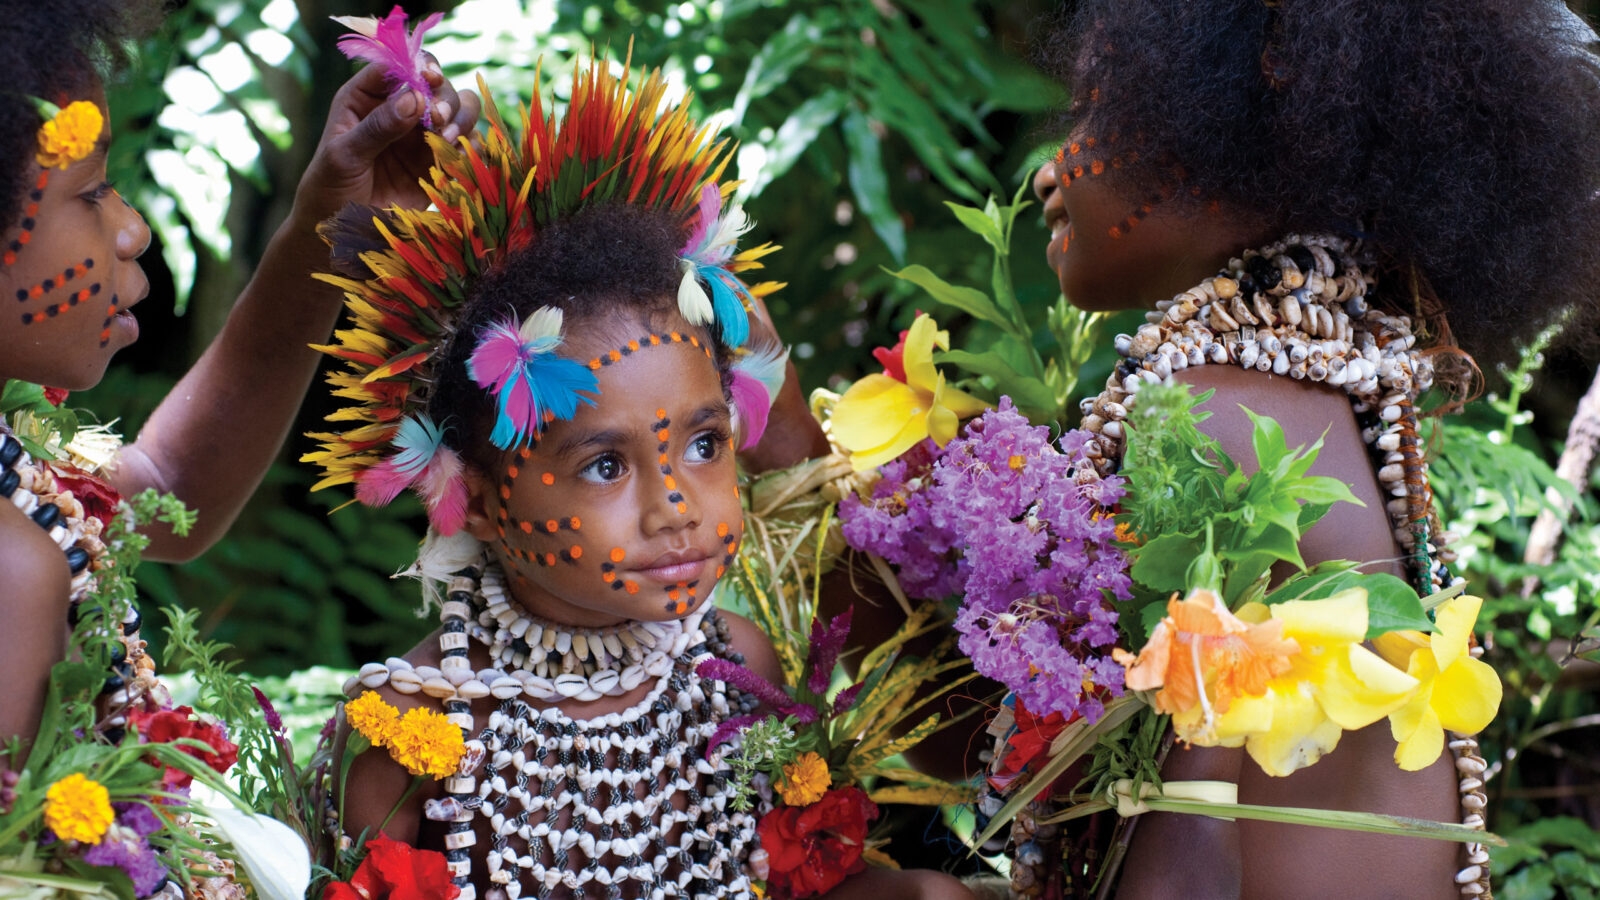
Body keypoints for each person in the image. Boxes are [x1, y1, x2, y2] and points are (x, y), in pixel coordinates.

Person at [315, 56, 972, 899]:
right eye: (603, 464)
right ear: (474, 497)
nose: (675, 509)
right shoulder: (410, 731)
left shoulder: (738, 669)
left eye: (705, 446)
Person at [1025, 1, 1600, 898]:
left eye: (1096, 109)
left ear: (1220, 120)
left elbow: (1182, 850)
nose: (1047, 175)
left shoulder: (1210, 418)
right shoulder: (1323, 396)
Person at [0, 0, 480, 761]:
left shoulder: (15, 473)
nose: (132, 229)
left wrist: (331, 226)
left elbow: (171, 484)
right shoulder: (9, 571)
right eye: (91, 192)